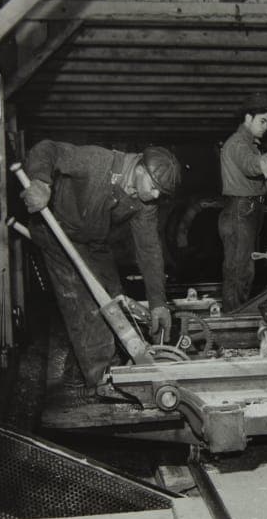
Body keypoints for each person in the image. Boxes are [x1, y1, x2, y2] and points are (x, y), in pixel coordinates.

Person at [21, 140, 181, 390]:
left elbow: (149, 250)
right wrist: (40, 182)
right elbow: (46, 148)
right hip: (57, 233)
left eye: (162, 192)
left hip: (93, 241)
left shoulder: (144, 202)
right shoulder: (97, 162)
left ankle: (101, 362)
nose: (157, 195)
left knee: (114, 299)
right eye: (155, 187)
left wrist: (159, 302)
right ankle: (102, 379)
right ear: (139, 168)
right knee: (86, 306)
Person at [218, 91, 267, 310]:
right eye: (262, 121)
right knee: (239, 269)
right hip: (240, 210)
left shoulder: (249, 145)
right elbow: (253, 167)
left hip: (247, 210)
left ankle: (237, 313)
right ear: (248, 118)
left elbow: (257, 172)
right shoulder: (237, 144)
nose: (265, 127)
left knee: (244, 267)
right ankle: (234, 318)